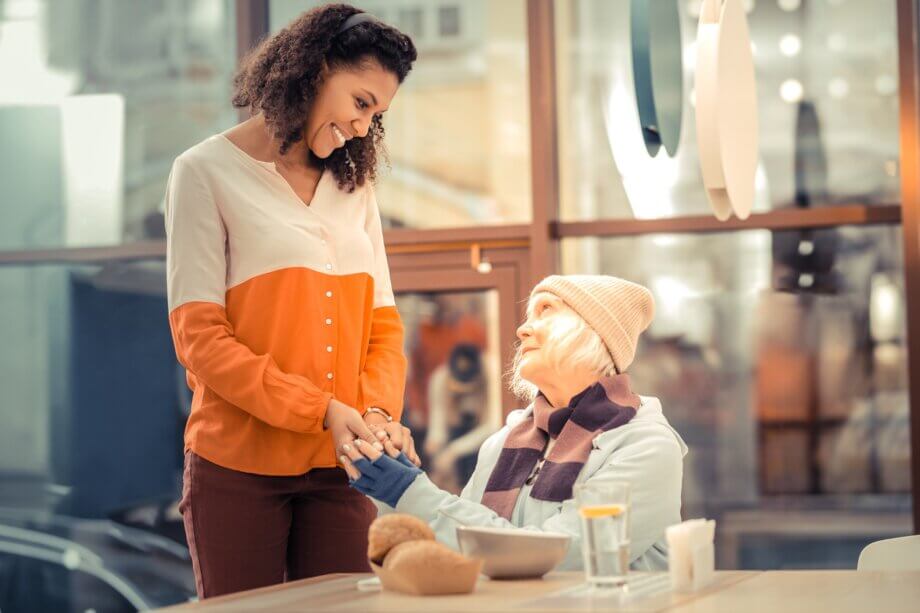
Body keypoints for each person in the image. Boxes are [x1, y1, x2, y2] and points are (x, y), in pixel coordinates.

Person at [164, 5, 418, 598]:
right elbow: (199, 340)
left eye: (375, 116)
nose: (363, 127)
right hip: (236, 470)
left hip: (343, 469)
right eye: (359, 103)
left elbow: (383, 328)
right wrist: (320, 409)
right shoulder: (203, 173)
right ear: (315, 68)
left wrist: (377, 414)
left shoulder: (356, 189)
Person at [342, 275, 687, 570]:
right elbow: (465, 550)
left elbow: (562, 556)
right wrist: (387, 485)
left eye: (546, 310)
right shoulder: (504, 442)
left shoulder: (646, 445)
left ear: (595, 331)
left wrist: (411, 492)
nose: (522, 329)